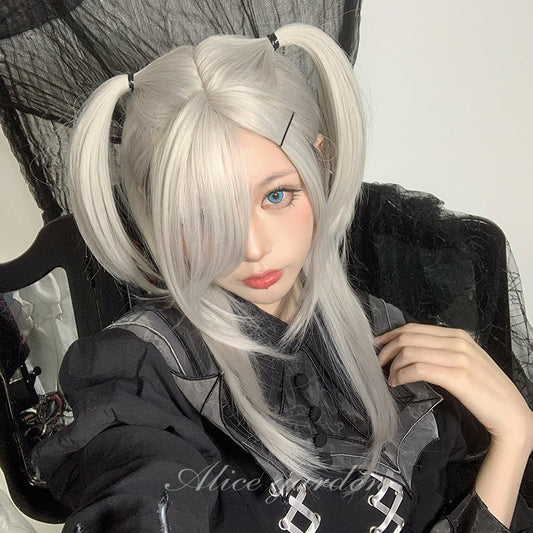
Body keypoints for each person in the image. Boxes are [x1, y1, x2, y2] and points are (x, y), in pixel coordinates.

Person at [32, 23, 532, 532]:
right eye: (202, 214)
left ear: (319, 161)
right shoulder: (137, 375)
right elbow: (138, 491)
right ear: (152, 210)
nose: (251, 248)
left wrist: (515, 437)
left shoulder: (388, 330)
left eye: (276, 195)